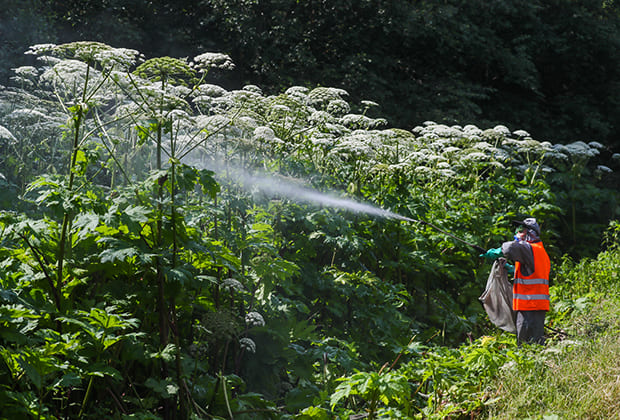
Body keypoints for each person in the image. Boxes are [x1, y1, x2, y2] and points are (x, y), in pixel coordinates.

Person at [480, 218, 551, 345]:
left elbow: (510, 248)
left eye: (521, 230)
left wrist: (497, 252)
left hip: (530, 306)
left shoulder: (530, 248)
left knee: (526, 346)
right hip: (535, 307)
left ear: (530, 233)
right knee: (534, 344)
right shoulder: (539, 251)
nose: (518, 234)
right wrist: (511, 269)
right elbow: (531, 274)